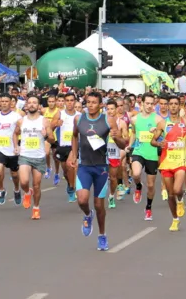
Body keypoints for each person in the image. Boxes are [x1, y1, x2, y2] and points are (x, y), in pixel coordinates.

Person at [67, 92, 126, 251]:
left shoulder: (108, 120)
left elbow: (122, 144)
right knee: (82, 200)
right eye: (88, 102)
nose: (91, 105)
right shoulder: (79, 119)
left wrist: (117, 136)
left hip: (101, 167)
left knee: (99, 206)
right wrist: (74, 154)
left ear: (101, 105)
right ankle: (87, 215)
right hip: (84, 166)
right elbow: (74, 136)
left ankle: (102, 235)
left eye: (94, 102)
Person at [151, 96, 186, 231]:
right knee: (170, 194)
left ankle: (180, 200)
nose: (174, 106)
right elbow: (153, 141)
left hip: (181, 160)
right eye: (171, 104)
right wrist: (159, 143)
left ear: (179, 106)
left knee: (177, 190)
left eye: (176, 104)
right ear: (168, 107)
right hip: (166, 161)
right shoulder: (163, 124)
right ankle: (175, 219)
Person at [13, 96, 55, 219]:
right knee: (24, 181)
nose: (31, 105)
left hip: (39, 156)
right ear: (26, 105)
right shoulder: (21, 121)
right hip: (25, 155)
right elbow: (15, 134)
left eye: (34, 103)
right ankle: (27, 192)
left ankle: (36, 207)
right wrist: (16, 146)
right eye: (29, 103)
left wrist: (46, 135)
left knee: (37, 185)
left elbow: (52, 139)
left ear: (38, 106)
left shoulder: (44, 121)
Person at [127, 92, 164, 220]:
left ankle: (148, 207)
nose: (149, 106)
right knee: (136, 174)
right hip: (138, 151)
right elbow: (133, 133)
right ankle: (138, 186)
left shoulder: (158, 119)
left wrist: (157, 132)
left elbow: (164, 135)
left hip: (152, 154)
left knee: (151, 186)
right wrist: (130, 145)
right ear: (141, 103)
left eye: (151, 104)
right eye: (147, 103)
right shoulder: (135, 119)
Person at [51, 93, 81, 202]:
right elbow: (50, 127)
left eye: (72, 100)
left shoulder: (79, 115)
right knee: (65, 171)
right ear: (64, 102)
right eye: (67, 100)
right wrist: (56, 123)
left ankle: (73, 188)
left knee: (71, 165)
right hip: (62, 146)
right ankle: (70, 184)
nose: (69, 102)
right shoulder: (60, 113)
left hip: (74, 146)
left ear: (75, 101)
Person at [105, 99, 128, 208]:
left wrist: (118, 136)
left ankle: (111, 195)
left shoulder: (121, 122)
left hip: (115, 151)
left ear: (116, 109)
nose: (110, 111)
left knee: (113, 177)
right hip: (103, 151)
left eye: (112, 109)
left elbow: (126, 138)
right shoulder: (102, 121)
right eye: (108, 109)